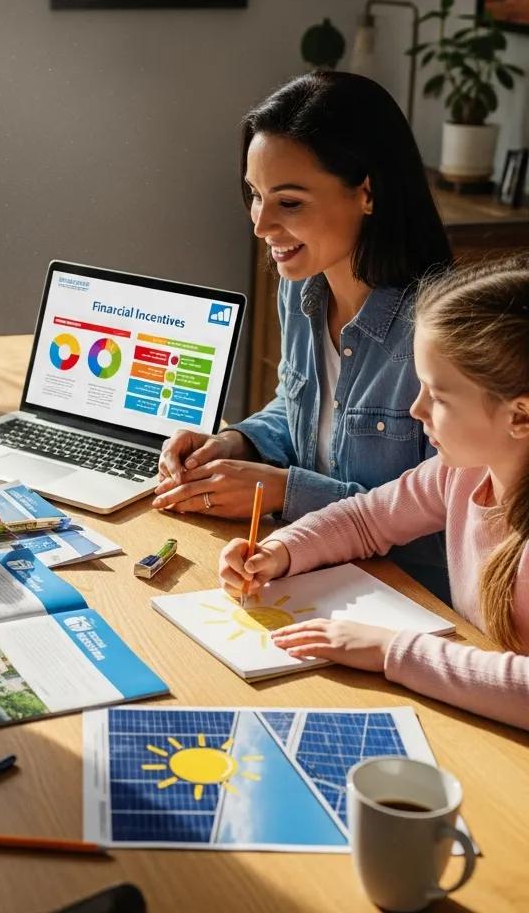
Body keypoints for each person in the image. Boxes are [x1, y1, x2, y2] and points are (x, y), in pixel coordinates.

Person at [154, 71, 452, 593]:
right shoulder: (302, 288)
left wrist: (285, 494)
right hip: (310, 572)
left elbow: (451, 525)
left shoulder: (441, 333)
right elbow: (304, 411)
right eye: (255, 194)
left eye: (288, 203)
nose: (260, 225)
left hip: (412, 600)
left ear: (368, 193)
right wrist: (236, 444)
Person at [218, 258, 529, 732]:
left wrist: (390, 650)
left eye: (439, 397)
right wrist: (280, 552)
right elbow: (365, 520)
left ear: (520, 417)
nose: (416, 408)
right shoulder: (459, 473)